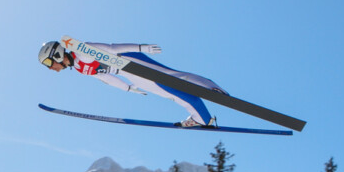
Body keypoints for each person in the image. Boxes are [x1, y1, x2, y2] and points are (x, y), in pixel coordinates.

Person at [38, 41, 226, 127]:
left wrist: (140, 48)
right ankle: (202, 118)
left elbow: (113, 49)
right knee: (168, 92)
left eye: (48, 63)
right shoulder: (80, 67)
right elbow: (105, 77)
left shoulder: (82, 51)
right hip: (128, 73)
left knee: (171, 80)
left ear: (56, 54)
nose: (50, 68)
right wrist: (127, 88)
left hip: (131, 61)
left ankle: (210, 88)